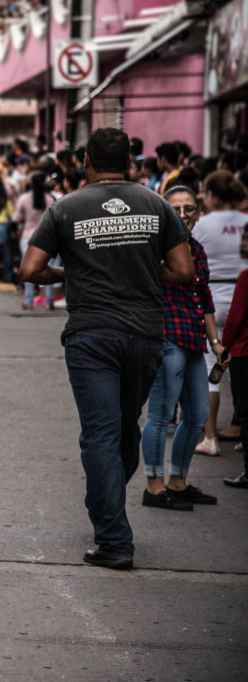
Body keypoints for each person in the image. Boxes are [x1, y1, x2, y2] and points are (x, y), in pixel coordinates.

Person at [20, 127, 193, 570]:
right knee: (125, 428)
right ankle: (107, 504)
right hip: (145, 334)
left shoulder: (66, 208)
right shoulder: (156, 205)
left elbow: (29, 269)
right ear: (131, 164)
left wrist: (68, 274)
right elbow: (182, 272)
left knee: (100, 434)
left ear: (86, 162)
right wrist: (140, 268)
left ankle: (113, 535)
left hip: (92, 334)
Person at [139, 184, 220, 511]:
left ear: (198, 212)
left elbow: (204, 299)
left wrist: (216, 341)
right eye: (176, 209)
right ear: (163, 212)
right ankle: (154, 486)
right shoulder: (154, 248)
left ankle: (178, 481)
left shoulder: (197, 249)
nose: (184, 214)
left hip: (194, 341)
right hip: (166, 338)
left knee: (198, 414)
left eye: (189, 208)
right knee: (159, 415)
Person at [193, 171, 248, 455]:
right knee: (242, 368)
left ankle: (210, 436)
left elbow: (190, 258)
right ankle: (243, 433)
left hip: (212, 300)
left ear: (212, 195)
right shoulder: (246, 221)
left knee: (210, 366)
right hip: (244, 298)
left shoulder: (203, 224)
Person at [220, 223, 248, 489]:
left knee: (245, 411)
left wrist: (224, 346)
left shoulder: (246, 277)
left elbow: (235, 318)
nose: (242, 243)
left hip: (243, 352)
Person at [15, 170, 55, 310]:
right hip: (46, 238)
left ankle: (28, 301)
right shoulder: (50, 199)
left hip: (27, 236)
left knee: (27, 270)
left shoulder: (24, 199)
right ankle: (49, 301)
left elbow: (17, 218)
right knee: (48, 269)